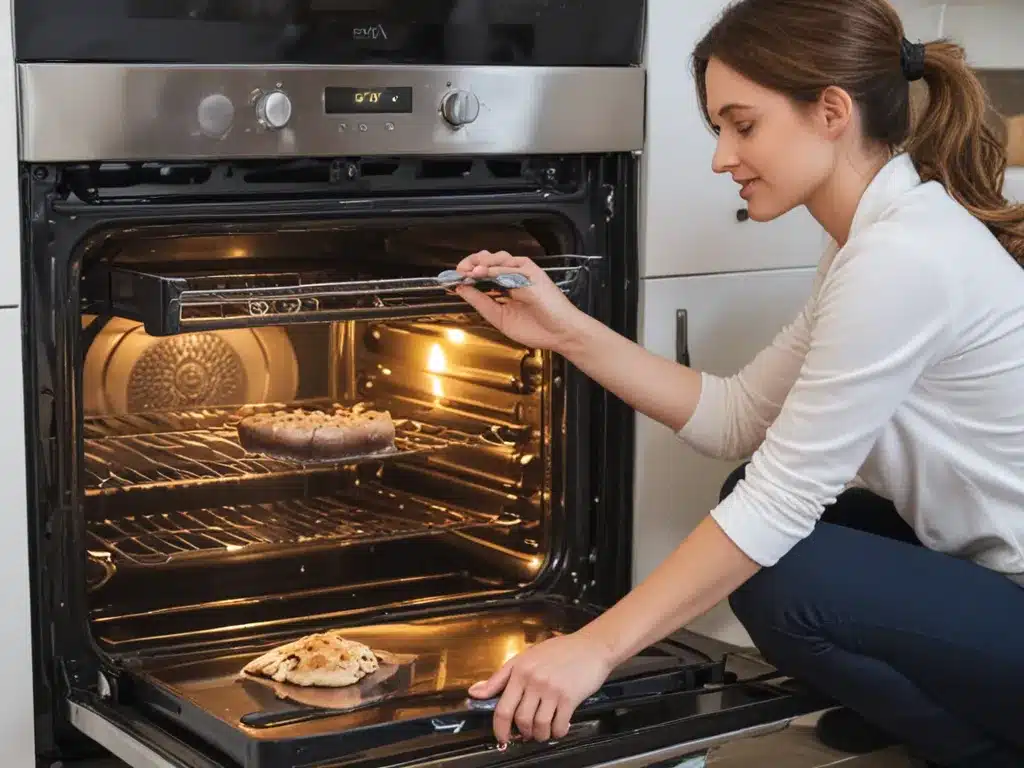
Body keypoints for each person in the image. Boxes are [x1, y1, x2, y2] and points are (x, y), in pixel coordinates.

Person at [450, 1, 1024, 766]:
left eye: (741, 125)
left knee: (784, 572)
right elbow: (738, 416)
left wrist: (593, 649)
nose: (723, 157)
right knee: (756, 499)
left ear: (830, 112)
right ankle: (930, 711)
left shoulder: (902, 258)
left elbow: (784, 502)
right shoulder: (874, 238)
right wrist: (562, 330)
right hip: (992, 569)